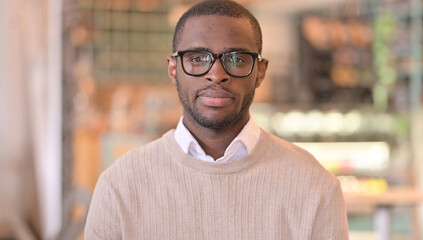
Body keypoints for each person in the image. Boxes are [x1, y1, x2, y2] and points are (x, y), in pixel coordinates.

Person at [84, 0, 349, 239]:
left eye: (236, 59)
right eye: (198, 58)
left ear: (260, 71)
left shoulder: (314, 187)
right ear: (173, 69)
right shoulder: (120, 186)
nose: (216, 74)